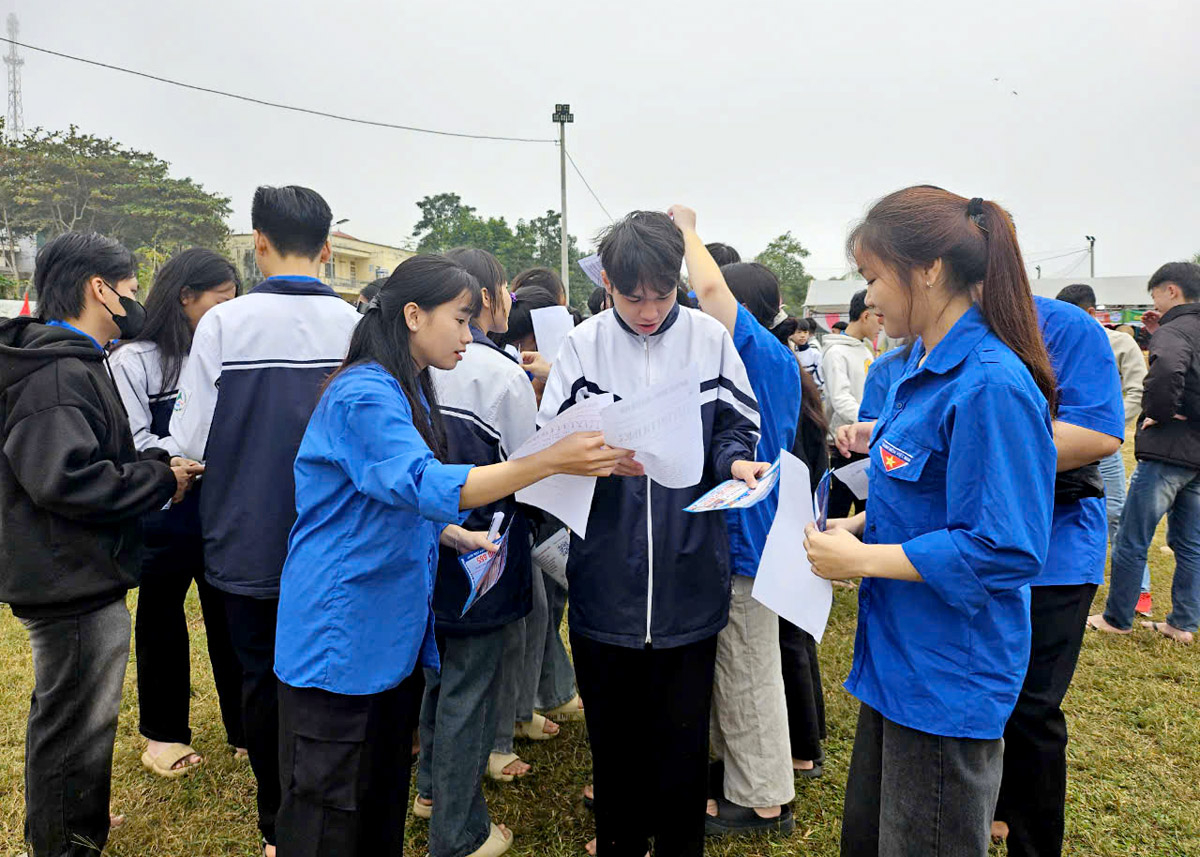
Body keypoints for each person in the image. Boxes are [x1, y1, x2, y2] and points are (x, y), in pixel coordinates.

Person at [273, 254, 631, 857]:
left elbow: (377, 496)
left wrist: (450, 534)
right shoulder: (366, 393)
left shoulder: (404, 384)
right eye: (461, 320)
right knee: (330, 804)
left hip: (386, 632)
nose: (470, 336)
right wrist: (548, 460)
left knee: (378, 790)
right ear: (413, 315)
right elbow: (421, 481)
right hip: (343, 634)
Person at [804, 189, 1057, 855]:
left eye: (872, 279)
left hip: (949, 674)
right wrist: (858, 531)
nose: (869, 300)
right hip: (899, 658)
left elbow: (1005, 547)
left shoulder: (990, 385)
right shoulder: (919, 371)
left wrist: (860, 562)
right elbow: (926, 501)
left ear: (929, 269)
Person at [539, 210, 764, 857]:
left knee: (683, 744)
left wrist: (735, 462)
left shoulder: (706, 339)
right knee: (613, 744)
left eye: (661, 294)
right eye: (631, 295)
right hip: (605, 578)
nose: (647, 310)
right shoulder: (584, 345)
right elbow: (551, 445)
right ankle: (618, 841)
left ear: (678, 284)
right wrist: (594, 454)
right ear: (607, 281)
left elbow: (733, 427)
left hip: (688, 575)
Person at [171, 185, 361, 856]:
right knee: (332, 676)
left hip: (245, 535)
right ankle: (329, 808)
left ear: (258, 243)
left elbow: (189, 439)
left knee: (260, 675)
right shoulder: (355, 325)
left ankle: (277, 821)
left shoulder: (224, 324)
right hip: (339, 539)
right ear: (328, 247)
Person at [0, 232, 198, 857]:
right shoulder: (57, 373)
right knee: (74, 725)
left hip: (78, 570)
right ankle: (64, 841)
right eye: (132, 291)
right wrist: (159, 477)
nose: (137, 306)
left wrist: (149, 465)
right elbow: (64, 478)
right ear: (99, 289)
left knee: (72, 714)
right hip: (69, 577)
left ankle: (70, 816)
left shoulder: (72, 361)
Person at [668, 206, 800, 836]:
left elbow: (712, 290)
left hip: (746, 526)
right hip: (751, 522)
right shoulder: (772, 357)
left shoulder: (752, 347)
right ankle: (745, 774)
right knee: (740, 660)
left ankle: (764, 797)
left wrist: (684, 226)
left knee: (747, 665)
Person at [413, 248, 540, 857]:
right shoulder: (500, 374)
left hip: (423, 548)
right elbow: (527, 468)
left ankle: (433, 788)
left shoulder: (398, 369)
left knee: (440, 676)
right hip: (480, 551)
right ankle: (458, 833)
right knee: (469, 687)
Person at [991, 294, 1123, 856]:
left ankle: (1031, 841)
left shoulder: (1063, 326)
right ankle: (994, 806)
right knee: (990, 693)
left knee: (1031, 707)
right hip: (973, 542)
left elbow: (1096, 434)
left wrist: (975, 446)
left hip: (1055, 548)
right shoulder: (939, 327)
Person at [109, 249, 246, 779]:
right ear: (186, 296)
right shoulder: (134, 359)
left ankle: (244, 728)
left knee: (229, 616)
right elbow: (135, 437)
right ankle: (163, 734)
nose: (229, 313)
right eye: (220, 301)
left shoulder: (224, 355)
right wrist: (179, 465)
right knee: (162, 617)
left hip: (220, 504)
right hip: (165, 507)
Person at [1090, 261, 1200, 644]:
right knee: (1189, 544)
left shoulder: (1177, 330)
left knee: (1132, 536)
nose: (1152, 302)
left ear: (1171, 290)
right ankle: (1182, 624)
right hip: (1196, 454)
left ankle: (1117, 617)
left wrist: (1160, 413)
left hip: (1168, 451)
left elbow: (1168, 368)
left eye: (1154, 294)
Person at [1056, 283, 1152, 613]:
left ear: (1092, 314)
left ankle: (1140, 588)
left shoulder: (1119, 342)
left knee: (1116, 513)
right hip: (1065, 440)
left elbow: (1137, 389)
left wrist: (1108, 426)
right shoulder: (1055, 339)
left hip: (1101, 444)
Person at [823, 289, 878, 518]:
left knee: (866, 504)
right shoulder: (835, 352)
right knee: (839, 506)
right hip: (845, 442)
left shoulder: (865, 350)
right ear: (865, 316)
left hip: (867, 438)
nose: (881, 325)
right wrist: (871, 423)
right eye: (879, 318)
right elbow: (840, 399)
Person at [790, 317, 824, 390]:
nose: (803, 335)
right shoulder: (790, 354)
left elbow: (820, 380)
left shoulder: (815, 354)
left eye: (805, 332)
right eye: (799, 332)